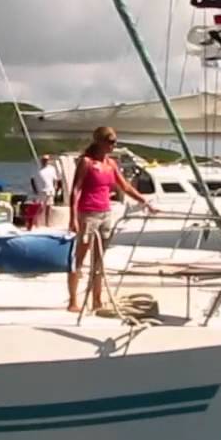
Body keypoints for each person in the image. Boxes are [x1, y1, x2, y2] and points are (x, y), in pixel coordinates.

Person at [66, 127, 156, 312]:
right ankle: (73, 300)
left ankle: (96, 300)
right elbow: (76, 189)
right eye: (110, 141)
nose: (113, 145)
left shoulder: (111, 164)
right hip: (88, 213)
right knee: (79, 258)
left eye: (115, 141)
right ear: (99, 141)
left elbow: (125, 187)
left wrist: (145, 202)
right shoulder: (86, 162)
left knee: (99, 260)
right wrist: (73, 217)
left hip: (106, 213)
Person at [28, 155, 58, 228]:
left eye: (47, 160)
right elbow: (32, 179)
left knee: (49, 207)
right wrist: (35, 189)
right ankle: (36, 223)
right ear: (41, 160)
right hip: (41, 191)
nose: (45, 161)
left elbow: (55, 179)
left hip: (50, 190)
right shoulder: (37, 169)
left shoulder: (52, 169)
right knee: (39, 207)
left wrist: (55, 187)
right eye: (44, 160)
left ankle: (47, 223)